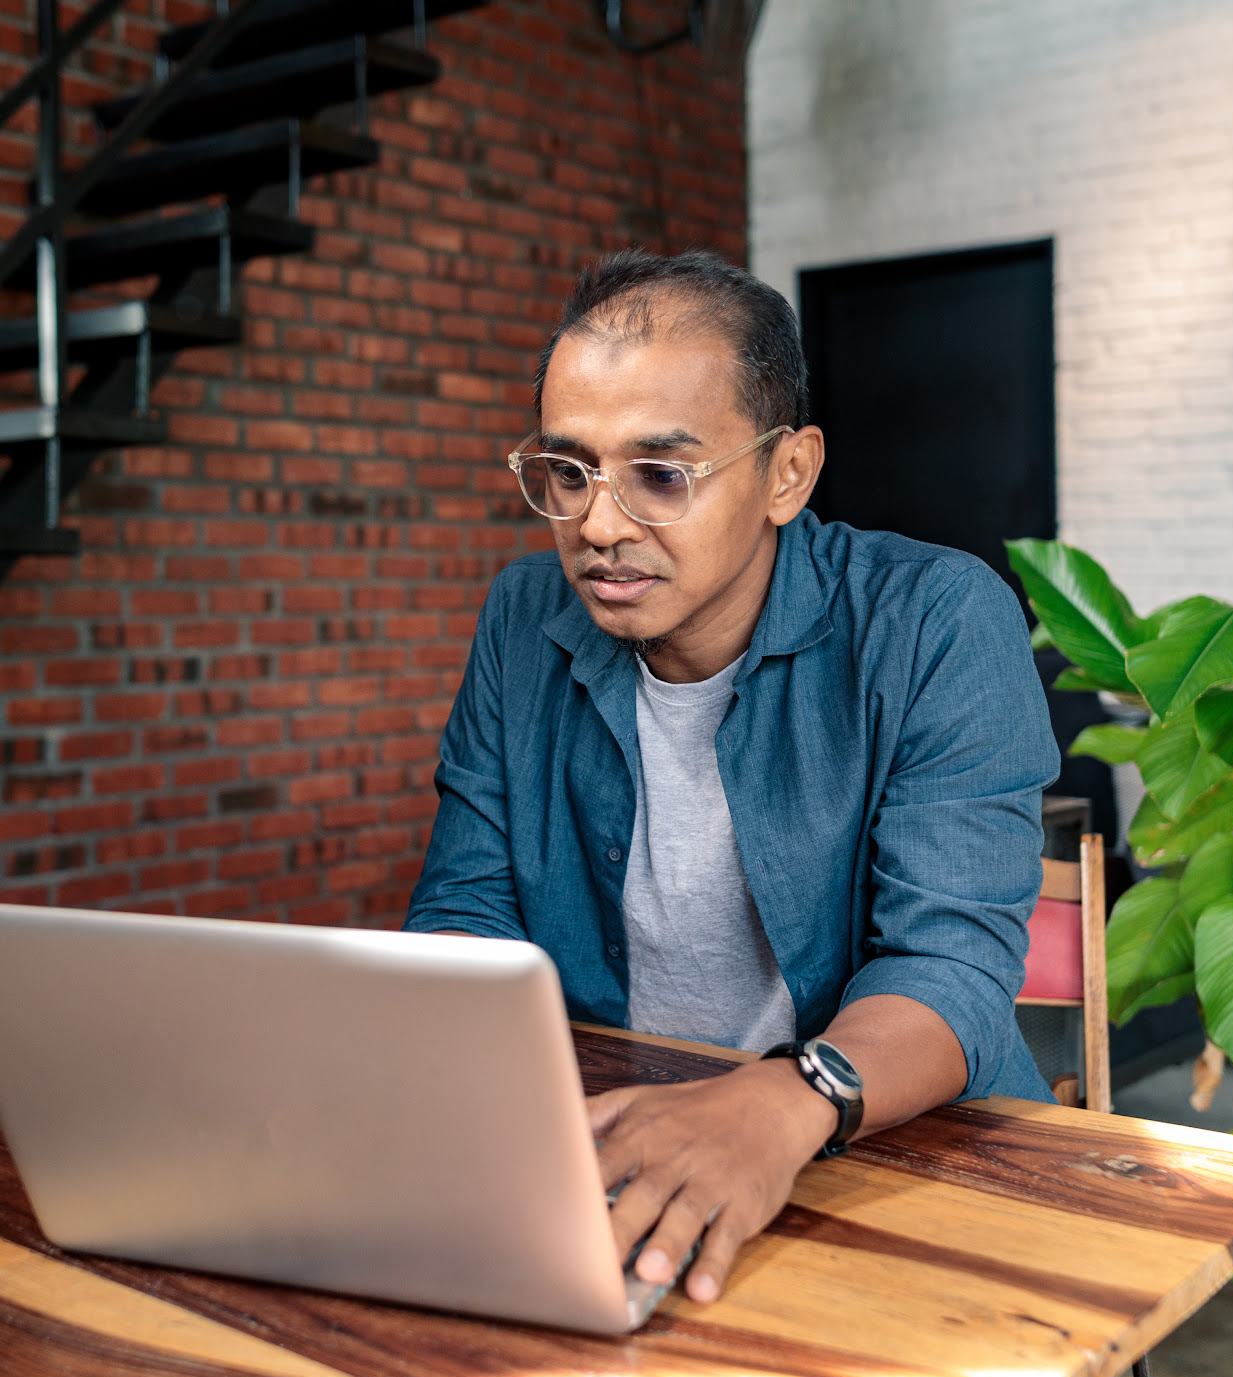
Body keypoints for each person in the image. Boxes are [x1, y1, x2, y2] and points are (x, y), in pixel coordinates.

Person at [404, 250, 1061, 1309]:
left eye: (661, 474)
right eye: (569, 472)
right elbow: (466, 902)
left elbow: (950, 967)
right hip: (611, 1143)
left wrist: (785, 1100)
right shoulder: (525, 618)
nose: (601, 525)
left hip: (891, 1153)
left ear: (787, 474)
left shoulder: (935, 619)